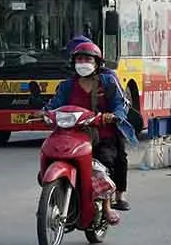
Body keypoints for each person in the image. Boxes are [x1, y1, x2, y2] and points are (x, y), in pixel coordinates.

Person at [44, 41, 137, 224]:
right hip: (72, 134)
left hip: (102, 134)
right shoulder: (67, 86)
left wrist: (114, 115)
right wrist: (44, 113)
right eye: (79, 59)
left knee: (104, 164)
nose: (83, 63)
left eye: (87, 59)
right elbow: (54, 104)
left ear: (96, 63)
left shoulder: (108, 81)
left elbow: (121, 102)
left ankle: (108, 206)